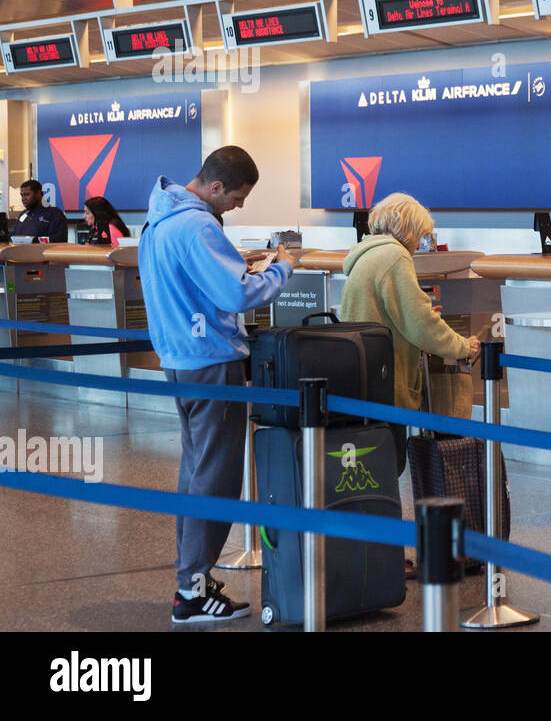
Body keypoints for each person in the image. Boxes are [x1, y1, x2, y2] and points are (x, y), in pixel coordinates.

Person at [138, 146, 299, 623]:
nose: (239, 206)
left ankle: (192, 580)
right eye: (237, 197)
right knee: (216, 478)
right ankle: (190, 592)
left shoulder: (159, 219)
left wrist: (234, 260)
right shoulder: (199, 226)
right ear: (214, 187)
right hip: (212, 363)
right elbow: (237, 294)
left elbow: (194, 282)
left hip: (179, 360)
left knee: (195, 471)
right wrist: (283, 265)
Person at [339, 192, 480, 414]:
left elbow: (393, 313)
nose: (417, 245)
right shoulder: (395, 255)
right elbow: (420, 324)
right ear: (407, 229)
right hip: (386, 383)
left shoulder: (367, 253)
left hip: (362, 373)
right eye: (419, 236)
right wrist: (463, 347)